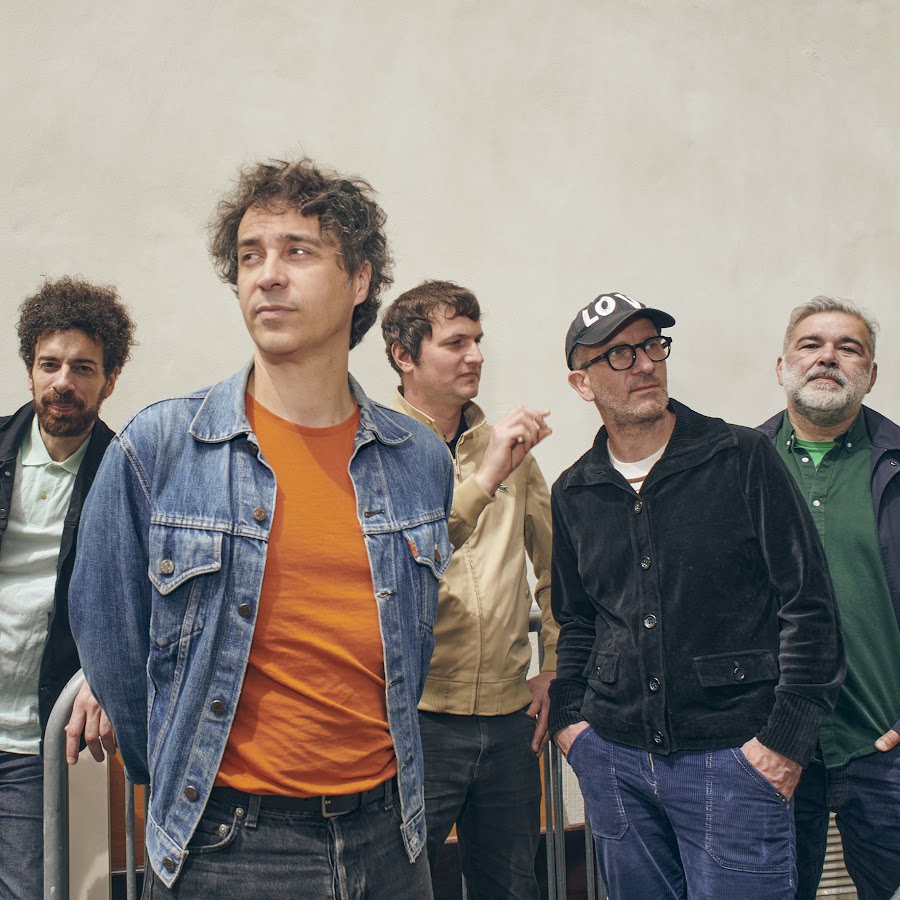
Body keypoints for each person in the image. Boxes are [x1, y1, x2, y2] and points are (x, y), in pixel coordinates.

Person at [69, 158, 454, 898]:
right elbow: (110, 640)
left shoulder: (418, 459)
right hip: (224, 849)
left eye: (297, 251)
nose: (267, 275)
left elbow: (416, 640)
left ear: (361, 279)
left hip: (391, 840)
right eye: (250, 256)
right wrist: (175, 770)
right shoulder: (161, 449)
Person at [548, 291, 845, 900]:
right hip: (615, 761)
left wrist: (784, 745)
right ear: (583, 383)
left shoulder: (740, 457)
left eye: (652, 346)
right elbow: (577, 620)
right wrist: (571, 724)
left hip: (737, 761)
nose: (644, 364)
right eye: (619, 354)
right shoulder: (576, 489)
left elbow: (809, 607)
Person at [381, 280, 556, 898]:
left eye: (478, 341)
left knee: (512, 888)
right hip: (416, 720)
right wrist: (486, 477)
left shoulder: (512, 451)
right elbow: (405, 556)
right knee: (404, 886)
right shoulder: (376, 449)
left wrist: (554, 665)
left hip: (510, 721)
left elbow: (557, 570)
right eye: (456, 343)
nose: (476, 356)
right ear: (404, 355)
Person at [758, 296, 900, 900]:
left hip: (885, 748)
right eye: (811, 344)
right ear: (782, 366)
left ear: (871, 373)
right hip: (772, 746)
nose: (828, 357)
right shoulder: (737, 467)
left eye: (849, 348)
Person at [0, 275, 134, 900]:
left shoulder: (128, 475)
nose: (63, 381)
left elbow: (140, 602)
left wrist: (101, 677)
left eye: (84, 368)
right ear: (30, 370)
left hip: (37, 742)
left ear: (110, 380)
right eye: (49, 364)